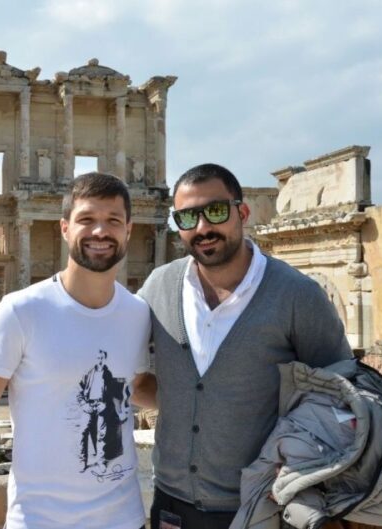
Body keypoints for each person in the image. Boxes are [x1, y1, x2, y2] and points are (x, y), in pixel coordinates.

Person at [134, 163, 353, 529]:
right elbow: (122, 366)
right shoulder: (159, 286)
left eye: (216, 211)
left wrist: (301, 459)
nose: (202, 228)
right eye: (187, 218)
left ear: (243, 212)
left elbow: (342, 390)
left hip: (260, 508)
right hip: (171, 506)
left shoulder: (296, 294)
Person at [0, 172, 150, 529]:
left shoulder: (138, 313)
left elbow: (134, 386)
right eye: (86, 219)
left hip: (124, 518)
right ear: (64, 228)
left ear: (128, 230)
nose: (99, 232)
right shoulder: (20, 311)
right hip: (40, 520)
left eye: (113, 221)